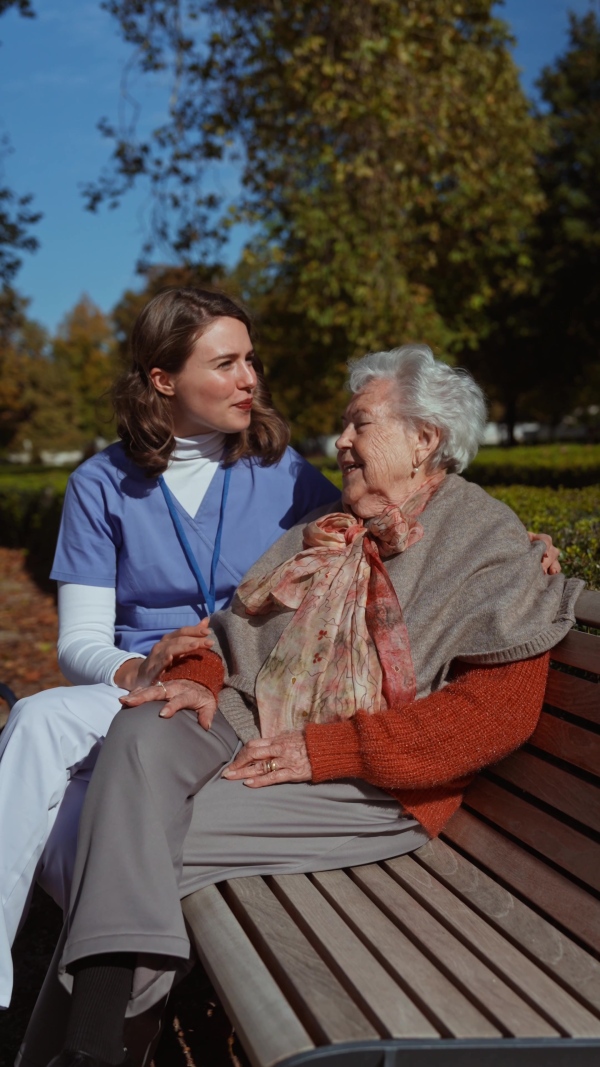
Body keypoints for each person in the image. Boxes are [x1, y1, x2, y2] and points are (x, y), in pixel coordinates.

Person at [24, 344, 580, 1067]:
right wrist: (194, 671)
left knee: (137, 833)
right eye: (342, 426)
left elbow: (494, 714)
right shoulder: (326, 531)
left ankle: (90, 1046)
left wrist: (325, 750)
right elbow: (226, 632)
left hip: (369, 784)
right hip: (250, 732)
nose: (340, 441)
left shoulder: (487, 542)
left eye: (360, 424)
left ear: (425, 439)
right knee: (145, 725)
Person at [0, 287, 340, 1012]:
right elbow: (80, 643)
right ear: (163, 379)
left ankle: (109, 979)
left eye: (251, 359)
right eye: (226, 363)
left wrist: (513, 546)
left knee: (81, 806)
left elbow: (382, 528)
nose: (250, 378)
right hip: (144, 691)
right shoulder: (99, 484)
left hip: (243, 699)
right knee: (33, 722)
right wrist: (138, 666)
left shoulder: (285, 472)